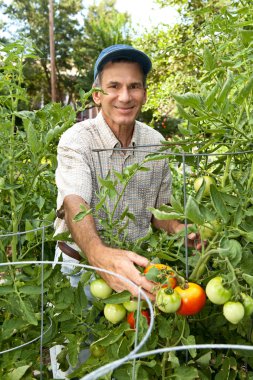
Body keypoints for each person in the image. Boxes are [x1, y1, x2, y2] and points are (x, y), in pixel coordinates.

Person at [54, 44, 200, 302]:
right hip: (80, 271)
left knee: (135, 340)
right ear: (97, 95)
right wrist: (99, 254)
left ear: (144, 94)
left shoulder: (155, 142)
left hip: (135, 270)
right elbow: (74, 202)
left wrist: (178, 228)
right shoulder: (77, 140)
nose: (125, 97)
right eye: (114, 86)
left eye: (134, 86)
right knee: (77, 340)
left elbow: (160, 211)